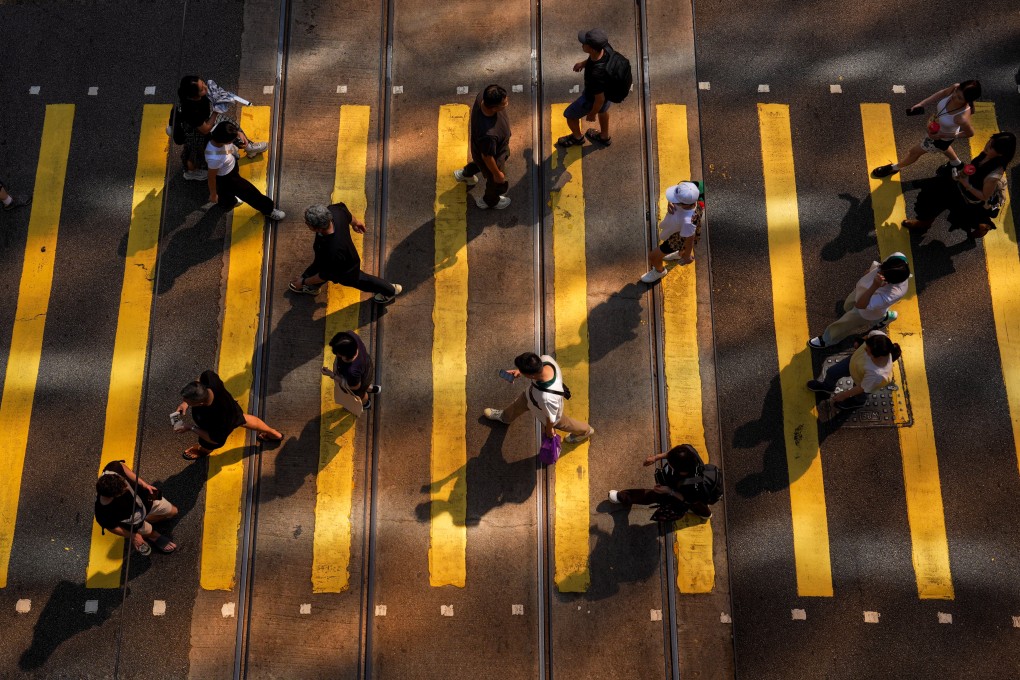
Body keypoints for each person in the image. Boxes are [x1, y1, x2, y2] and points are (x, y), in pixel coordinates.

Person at [903, 131, 1015, 240]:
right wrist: (962, 175)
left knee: (965, 218)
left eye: (991, 147)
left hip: (970, 199)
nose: (987, 146)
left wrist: (966, 184)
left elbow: (984, 196)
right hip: (959, 186)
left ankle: (982, 227)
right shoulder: (986, 155)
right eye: (989, 142)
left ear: (1001, 154)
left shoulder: (994, 175)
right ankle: (925, 222)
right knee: (932, 196)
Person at [289, 203, 402, 304]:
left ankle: (390, 290)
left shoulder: (333, 251)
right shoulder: (334, 212)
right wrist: (355, 222)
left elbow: (324, 275)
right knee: (318, 264)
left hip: (346, 267)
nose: (305, 224)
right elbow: (345, 212)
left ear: (317, 229)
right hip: (328, 258)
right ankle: (313, 287)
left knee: (360, 280)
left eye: (307, 223)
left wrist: (303, 282)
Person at [871, 80, 981, 178]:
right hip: (934, 128)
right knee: (944, 147)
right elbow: (941, 93)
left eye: (959, 98)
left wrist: (942, 135)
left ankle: (895, 168)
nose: (954, 96)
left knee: (914, 152)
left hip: (939, 138)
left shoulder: (961, 118)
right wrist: (921, 104)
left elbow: (969, 133)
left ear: (967, 101)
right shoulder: (955, 87)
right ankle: (956, 163)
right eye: (956, 92)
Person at [483, 351, 594, 444]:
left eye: (522, 370)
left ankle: (586, 431)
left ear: (531, 375)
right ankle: (505, 417)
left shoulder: (547, 398)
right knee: (517, 405)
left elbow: (551, 418)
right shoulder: (546, 359)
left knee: (564, 424)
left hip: (546, 410)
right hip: (530, 396)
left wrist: (549, 429)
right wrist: (520, 372)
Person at [808, 253, 911, 349]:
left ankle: (828, 339)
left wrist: (874, 286)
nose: (879, 271)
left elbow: (860, 305)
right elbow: (876, 267)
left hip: (865, 311)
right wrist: (867, 276)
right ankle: (885, 317)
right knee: (847, 306)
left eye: (881, 273)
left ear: (889, 281)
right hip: (860, 293)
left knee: (845, 323)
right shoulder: (898, 257)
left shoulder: (893, 293)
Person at [176, 370, 283, 460]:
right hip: (233, 409)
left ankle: (202, 451)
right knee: (243, 419)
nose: (184, 401)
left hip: (216, 430)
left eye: (188, 402)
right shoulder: (210, 380)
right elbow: (199, 380)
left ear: (201, 404)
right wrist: (186, 403)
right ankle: (273, 433)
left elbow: (214, 439)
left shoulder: (219, 418)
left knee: (207, 444)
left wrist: (191, 427)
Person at [176, 75, 267, 181]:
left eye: (204, 83)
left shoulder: (197, 95)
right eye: (202, 89)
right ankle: (191, 172)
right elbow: (205, 129)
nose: (206, 87)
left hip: (206, 119)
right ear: (193, 96)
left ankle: (248, 146)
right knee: (198, 153)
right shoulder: (190, 110)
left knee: (230, 127)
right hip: (196, 131)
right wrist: (216, 110)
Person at [607, 444, 716, 520]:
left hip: (682, 493)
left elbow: (686, 499)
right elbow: (672, 453)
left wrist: (669, 491)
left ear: (682, 471)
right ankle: (705, 513)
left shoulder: (692, 486)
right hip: (695, 494)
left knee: (653, 495)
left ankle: (624, 497)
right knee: (698, 502)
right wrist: (656, 457)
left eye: (671, 464)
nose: (667, 463)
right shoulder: (688, 451)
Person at [94, 460, 178, 554]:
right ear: (113, 496)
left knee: (173, 511)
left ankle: (148, 520)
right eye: (123, 489)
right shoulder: (102, 513)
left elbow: (122, 467)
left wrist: (144, 484)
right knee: (147, 531)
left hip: (145, 496)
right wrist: (133, 535)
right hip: (133, 520)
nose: (127, 486)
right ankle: (154, 536)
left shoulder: (113, 467)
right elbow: (112, 527)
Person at [205, 121, 284, 220]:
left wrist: (239, 133)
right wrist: (213, 194)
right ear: (225, 141)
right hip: (229, 177)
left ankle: (227, 203)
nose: (234, 141)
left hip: (229, 168)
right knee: (249, 192)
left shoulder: (216, 131)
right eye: (231, 141)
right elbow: (211, 177)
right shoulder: (214, 158)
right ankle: (268, 210)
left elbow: (227, 129)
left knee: (224, 190)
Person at [807, 330, 900, 411]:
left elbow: (861, 388)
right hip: (853, 363)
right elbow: (868, 336)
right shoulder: (878, 336)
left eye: (867, 350)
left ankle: (857, 402)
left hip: (862, 381)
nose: (864, 348)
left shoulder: (877, 374)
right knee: (832, 372)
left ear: (876, 355)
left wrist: (843, 395)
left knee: (861, 395)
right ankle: (827, 387)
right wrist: (860, 341)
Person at [453, 84, 512, 210]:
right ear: (494, 108)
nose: (507, 103)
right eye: (504, 103)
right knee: (493, 180)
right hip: (494, 155)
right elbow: (487, 157)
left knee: (480, 164)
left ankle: (465, 174)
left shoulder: (482, 97)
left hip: (483, 148)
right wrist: (497, 174)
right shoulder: (488, 135)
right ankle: (489, 201)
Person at [555, 29, 613, 148]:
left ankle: (577, 138)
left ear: (591, 48)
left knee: (570, 115)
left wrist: (592, 114)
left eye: (584, 43)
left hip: (592, 99)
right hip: (610, 92)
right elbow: (596, 58)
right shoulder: (606, 49)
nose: (582, 45)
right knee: (603, 110)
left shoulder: (595, 75)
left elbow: (599, 99)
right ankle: (604, 137)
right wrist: (583, 63)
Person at [640, 182, 703, 283]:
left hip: (678, 238)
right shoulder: (692, 198)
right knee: (681, 249)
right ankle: (679, 254)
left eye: (675, 200)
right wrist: (670, 202)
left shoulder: (687, 221)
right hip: (680, 231)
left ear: (682, 204)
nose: (672, 200)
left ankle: (659, 271)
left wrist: (687, 256)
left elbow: (690, 238)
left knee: (652, 256)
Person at [321, 330, 381, 410]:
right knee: (364, 383)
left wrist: (332, 375)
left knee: (360, 394)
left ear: (345, 356)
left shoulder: (351, 371)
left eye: (337, 353)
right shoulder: (351, 336)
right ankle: (372, 389)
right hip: (367, 367)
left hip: (357, 382)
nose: (336, 354)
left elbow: (355, 387)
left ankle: (366, 404)